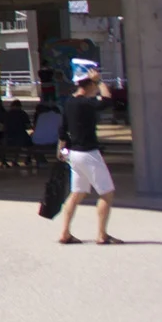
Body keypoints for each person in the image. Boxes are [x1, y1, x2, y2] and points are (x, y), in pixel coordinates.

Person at [58, 60, 119, 245]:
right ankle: (101, 234)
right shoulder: (85, 103)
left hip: (74, 154)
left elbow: (62, 129)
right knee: (107, 193)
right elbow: (108, 101)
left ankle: (65, 232)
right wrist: (99, 81)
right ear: (90, 83)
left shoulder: (69, 102)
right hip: (89, 153)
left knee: (76, 193)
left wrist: (60, 148)